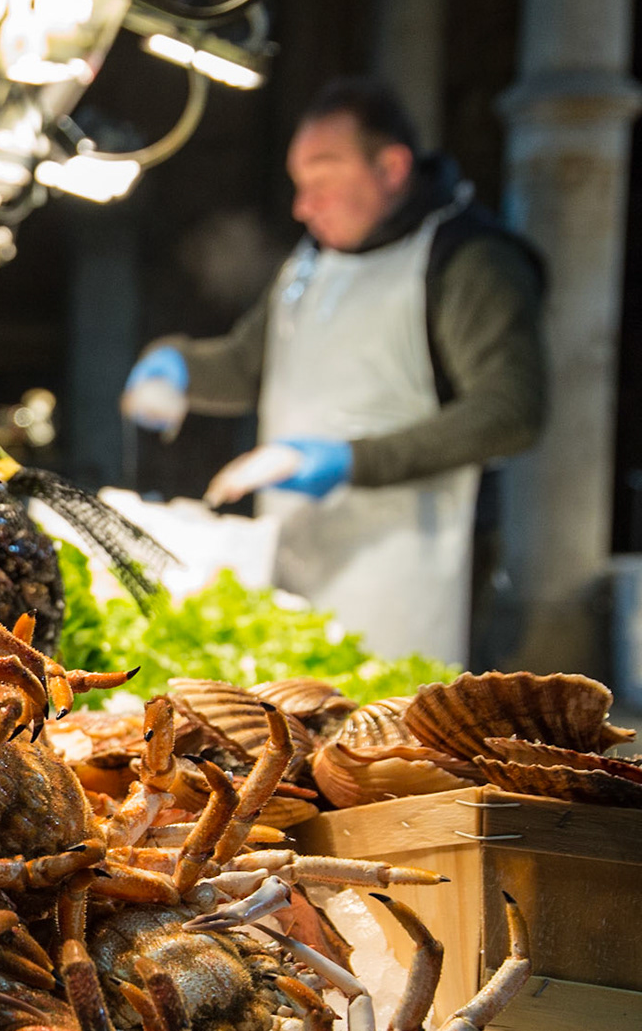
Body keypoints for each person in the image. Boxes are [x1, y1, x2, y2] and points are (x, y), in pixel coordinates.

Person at [120, 77, 546, 664]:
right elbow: (246, 365)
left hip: (412, 574)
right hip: (299, 559)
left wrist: (348, 460)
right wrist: (177, 366)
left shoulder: (469, 260)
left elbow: (511, 411)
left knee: (398, 712)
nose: (303, 207)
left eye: (321, 182)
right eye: (299, 186)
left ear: (391, 168)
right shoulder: (310, 261)